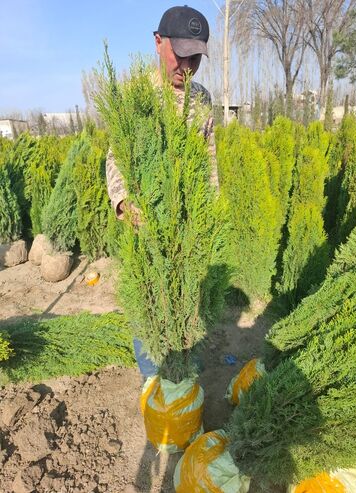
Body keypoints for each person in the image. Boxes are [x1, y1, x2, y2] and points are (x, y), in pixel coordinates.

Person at [106, 5, 218, 378]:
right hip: (147, 229)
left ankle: (184, 382)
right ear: (158, 42)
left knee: (188, 306)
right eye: (180, 53)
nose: (187, 65)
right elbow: (116, 155)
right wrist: (124, 202)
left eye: (195, 57)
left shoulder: (202, 99)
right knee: (150, 307)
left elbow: (208, 161)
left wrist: (210, 217)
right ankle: (153, 386)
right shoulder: (137, 96)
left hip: (189, 228)